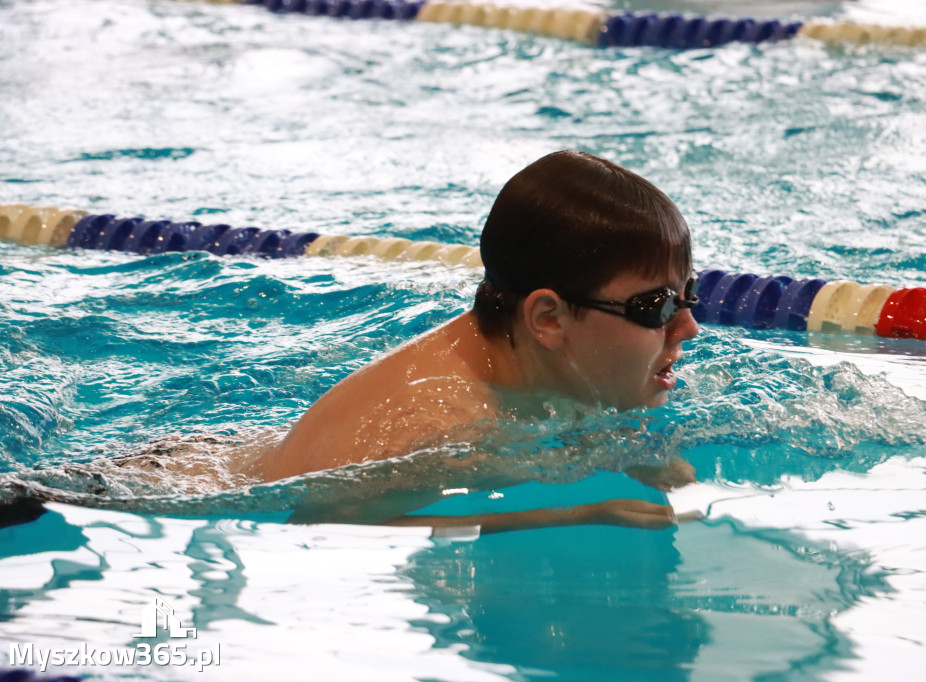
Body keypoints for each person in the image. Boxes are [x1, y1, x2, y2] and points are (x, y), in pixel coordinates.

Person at [247, 150, 703, 532]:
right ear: (548, 318)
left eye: (690, 293)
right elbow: (317, 526)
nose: (688, 327)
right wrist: (576, 514)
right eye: (658, 307)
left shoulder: (518, 361)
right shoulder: (436, 427)